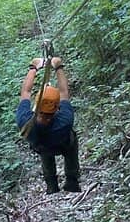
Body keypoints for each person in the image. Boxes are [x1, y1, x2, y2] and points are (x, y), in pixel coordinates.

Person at [16, 55, 81, 194]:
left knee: (43, 145)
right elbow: (64, 92)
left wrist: (33, 67)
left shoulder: (24, 120)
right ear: (57, 107)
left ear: (36, 105)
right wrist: (58, 66)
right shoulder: (64, 120)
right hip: (62, 144)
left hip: (42, 147)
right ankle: (72, 181)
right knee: (72, 138)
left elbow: (25, 92)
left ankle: (51, 185)